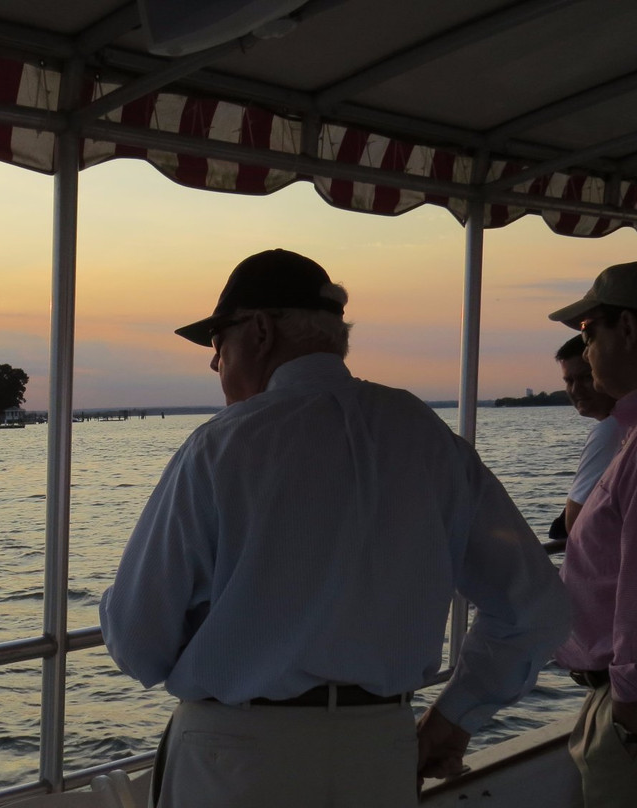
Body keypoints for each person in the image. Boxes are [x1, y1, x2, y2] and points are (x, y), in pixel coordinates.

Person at [99, 249, 570, 808]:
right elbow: (535, 609)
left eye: (217, 342)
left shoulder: (220, 446)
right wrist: (455, 715)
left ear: (260, 330)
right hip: (379, 752)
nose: (213, 362)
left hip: (237, 757)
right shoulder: (426, 436)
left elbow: (139, 644)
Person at [548, 261, 637, 807]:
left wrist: (627, 709)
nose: (585, 349)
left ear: (627, 327)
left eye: (587, 331)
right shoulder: (626, 433)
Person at [547, 335, 621, 540]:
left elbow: (576, 524)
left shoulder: (611, 431)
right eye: (569, 381)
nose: (575, 389)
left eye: (586, 377)